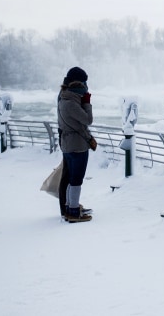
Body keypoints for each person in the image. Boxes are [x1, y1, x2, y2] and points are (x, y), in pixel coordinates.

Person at [57, 66, 97, 223]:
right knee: (76, 179)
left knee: (71, 177)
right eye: (84, 85)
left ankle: (69, 208)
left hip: (67, 143)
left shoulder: (63, 98)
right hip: (77, 145)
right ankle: (73, 211)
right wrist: (87, 103)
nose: (86, 88)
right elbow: (88, 120)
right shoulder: (71, 103)